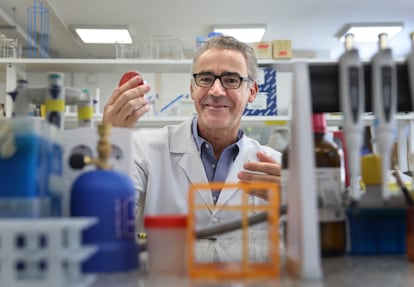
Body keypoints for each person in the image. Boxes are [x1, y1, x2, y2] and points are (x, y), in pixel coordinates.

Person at [103, 35, 281, 231]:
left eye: (231, 80)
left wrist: (297, 205)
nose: (216, 91)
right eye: (205, 79)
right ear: (192, 89)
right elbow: (111, 221)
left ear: (252, 92)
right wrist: (111, 144)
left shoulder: (275, 166)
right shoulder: (144, 149)